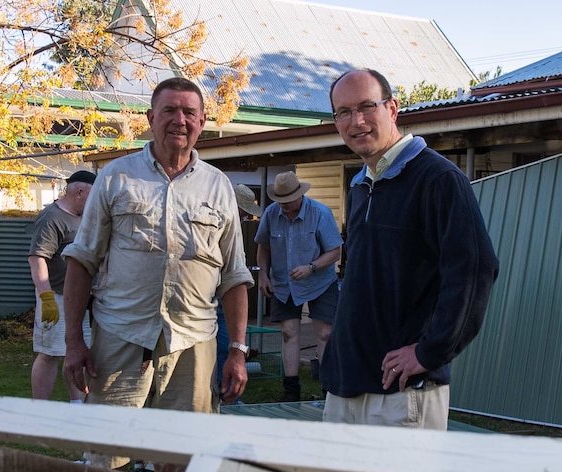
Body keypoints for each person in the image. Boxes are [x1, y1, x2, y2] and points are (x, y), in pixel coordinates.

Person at [61, 77, 253, 472]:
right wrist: (74, 341)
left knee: (184, 459)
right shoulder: (115, 178)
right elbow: (81, 261)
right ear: (151, 117)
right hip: (119, 336)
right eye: (169, 111)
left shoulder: (219, 186)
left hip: (193, 342)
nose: (179, 120)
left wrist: (237, 350)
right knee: (106, 457)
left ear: (202, 121)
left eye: (188, 112)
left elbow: (234, 276)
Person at [321, 68, 499, 429]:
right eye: (343, 112)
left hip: (401, 392)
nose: (356, 121)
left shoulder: (439, 180)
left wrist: (429, 352)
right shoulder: (360, 186)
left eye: (366, 107)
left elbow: (474, 272)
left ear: (393, 108)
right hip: (345, 386)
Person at [255, 171, 343, 402]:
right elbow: (263, 247)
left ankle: (328, 392)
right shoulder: (271, 214)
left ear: (300, 195)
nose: (283, 206)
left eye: (287, 201)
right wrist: (263, 275)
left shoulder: (320, 213)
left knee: (324, 333)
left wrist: (311, 267)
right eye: (279, 201)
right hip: (284, 283)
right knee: (288, 333)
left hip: (320, 281)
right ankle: (291, 390)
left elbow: (335, 251)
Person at [27, 170, 95, 402]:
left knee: (77, 352)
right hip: (55, 297)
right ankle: (40, 409)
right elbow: (37, 259)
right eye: (92, 196)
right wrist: (46, 298)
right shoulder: (51, 218)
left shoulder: (85, 217)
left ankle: (77, 406)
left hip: (83, 299)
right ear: (79, 192)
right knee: (49, 354)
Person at [214, 183, 263, 404]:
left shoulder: (235, 228)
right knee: (220, 349)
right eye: (243, 212)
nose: (244, 217)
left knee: (228, 346)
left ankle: (226, 395)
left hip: (226, 296)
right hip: (212, 297)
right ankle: (224, 396)